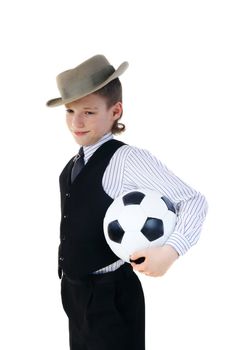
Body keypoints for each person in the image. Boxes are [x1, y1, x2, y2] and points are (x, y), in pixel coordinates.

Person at [46, 54, 208, 350]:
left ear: (115, 111)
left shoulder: (127, 159)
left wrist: (170, 252)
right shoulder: (73, 163)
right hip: (75, 292)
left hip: (109, 296)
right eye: (70, 111)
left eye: (89, 112)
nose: (76, 122)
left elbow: (193, 201)